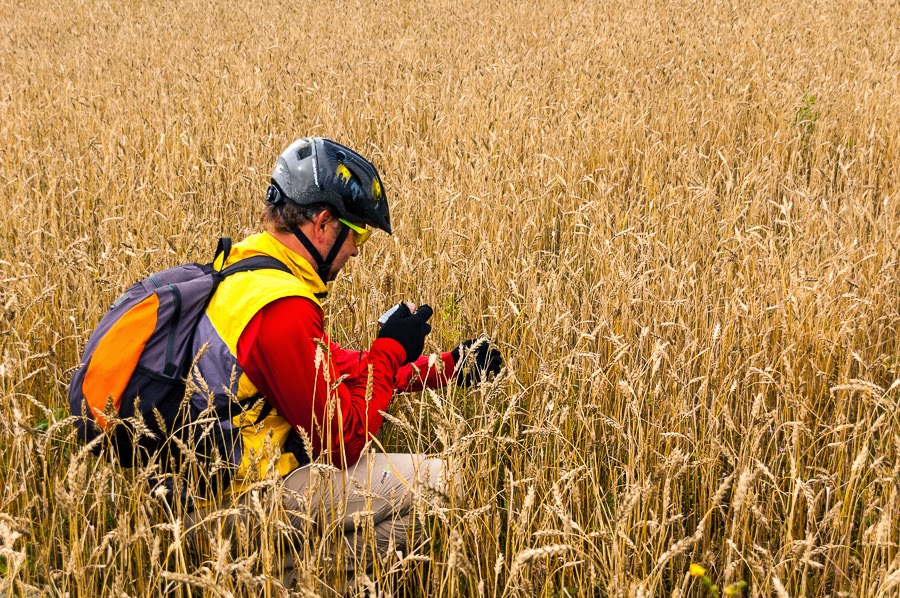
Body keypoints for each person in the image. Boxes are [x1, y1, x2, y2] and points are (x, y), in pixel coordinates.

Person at [183, 137, 502, 580]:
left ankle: (286, 576)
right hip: (233, 508)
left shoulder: (250, 273)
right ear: (323, 223)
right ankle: (295, 584)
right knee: (440, 483)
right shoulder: (281, 310)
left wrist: (449, 366)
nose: (355, 251)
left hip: (214, 497)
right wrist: (389, 347)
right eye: (357, 234)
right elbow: (344, 440)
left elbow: (343, 370)